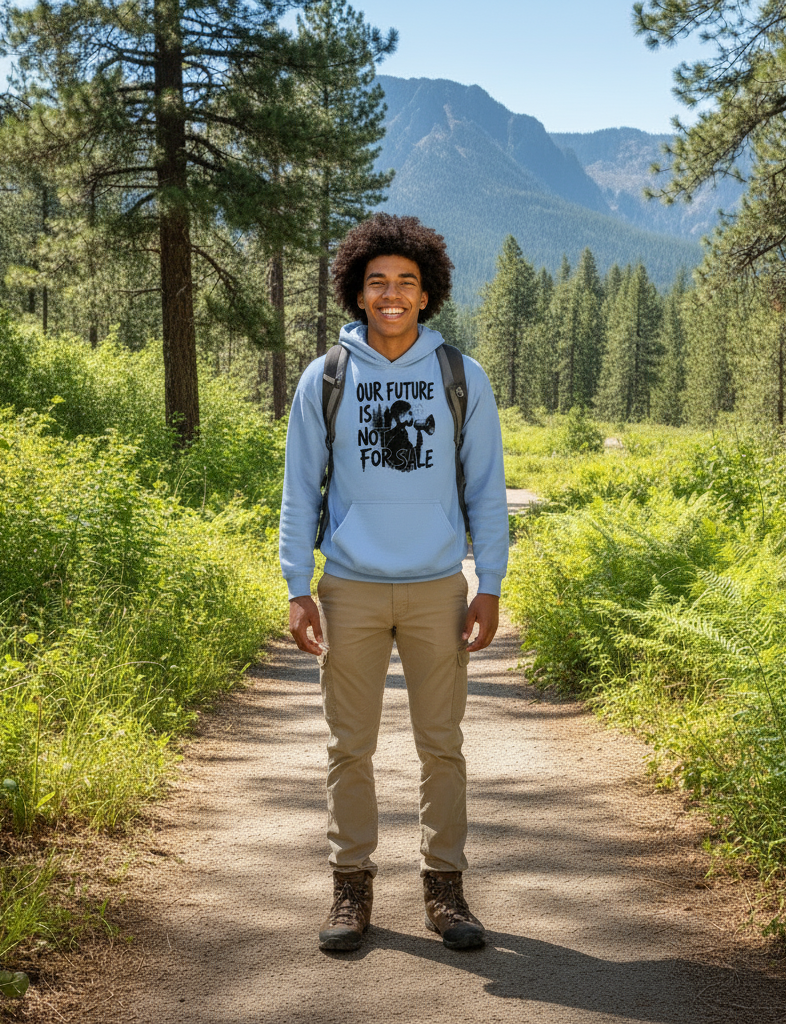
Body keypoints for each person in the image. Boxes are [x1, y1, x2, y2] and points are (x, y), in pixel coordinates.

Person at [279, 213, 509, 952]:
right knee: (351, 747)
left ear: (427, 293)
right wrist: (297, 584)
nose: (391, 294)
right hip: (349, 587)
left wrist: (489, 582)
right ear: (356, 290)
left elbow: (486, 489)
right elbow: (297, 490)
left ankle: (445, 891)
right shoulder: (328, 377)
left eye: (405, 282)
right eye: (377, 281)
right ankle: (351, 889)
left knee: (442, 746)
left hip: (438, 587)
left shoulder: (459, 375)